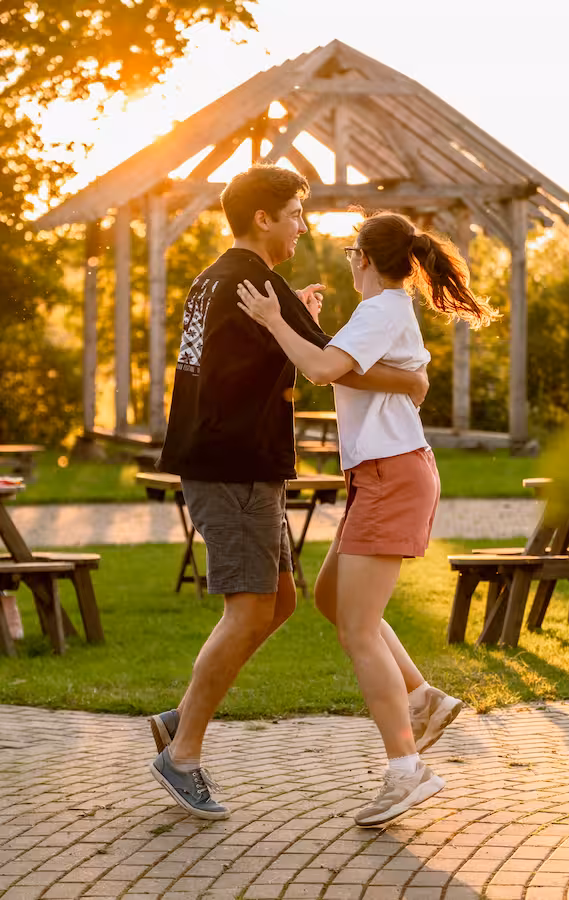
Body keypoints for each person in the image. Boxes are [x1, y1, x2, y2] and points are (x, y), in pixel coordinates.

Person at [148, 166, 430, 820]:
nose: (302, 226)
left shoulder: (217, 278)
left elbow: (255, 357)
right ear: (264, 218)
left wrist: (292, 320)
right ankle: (182, 754)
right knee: (250, 610)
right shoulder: (257, 283)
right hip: (235, 467)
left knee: (279, 602)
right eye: (296, 213)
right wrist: (410, 382)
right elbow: (328, 363)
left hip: (226, 461)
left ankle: (184, 715)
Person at [236, 210, 500, 827]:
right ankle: (422, 699)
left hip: (392, 475)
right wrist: (321, 335)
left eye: (351, 252)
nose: (349, 261)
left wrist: (275, 319)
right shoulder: (380, 311)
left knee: (357, 629)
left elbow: (322, 369)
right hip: (378, 474)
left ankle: (407, 770)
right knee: (333, 599)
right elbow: (353, 366)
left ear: (364, 258)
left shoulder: (381, 309)